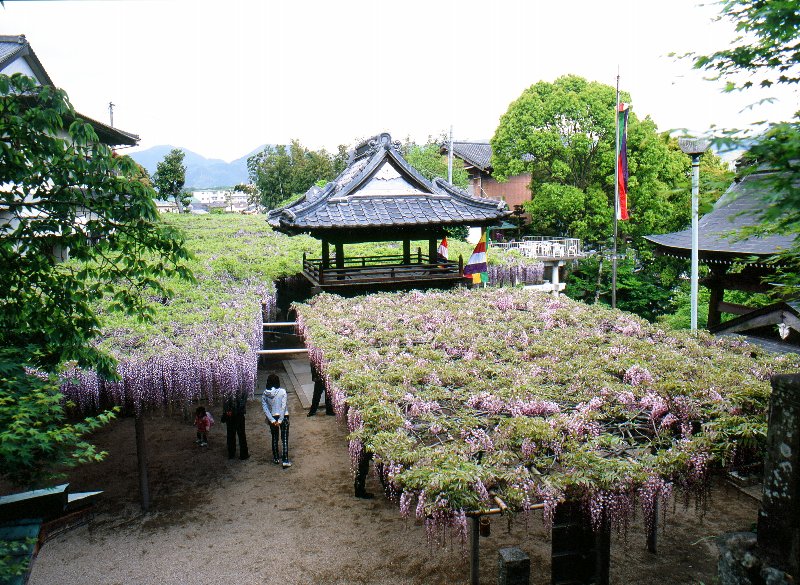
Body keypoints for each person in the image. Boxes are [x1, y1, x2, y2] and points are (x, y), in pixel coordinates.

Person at [262, 373, 291, 468]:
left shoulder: (265, 394)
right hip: (284, 417)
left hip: (273, 417)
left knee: (274, 438)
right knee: (284, 438)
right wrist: (281, 420)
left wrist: (272, 420)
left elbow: (265, 408)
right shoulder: (282, 392)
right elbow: (283, 407)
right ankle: (285, 460)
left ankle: (276, 458)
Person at [221, 390, 249, 460]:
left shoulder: (227, 386)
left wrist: (227, 410)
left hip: (232, 414)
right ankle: (243, 454)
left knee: (231, 434)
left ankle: (232, 454)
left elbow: (225, 401)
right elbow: (243, 401)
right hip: (237, 414)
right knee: (240, 434)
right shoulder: (243, 387)